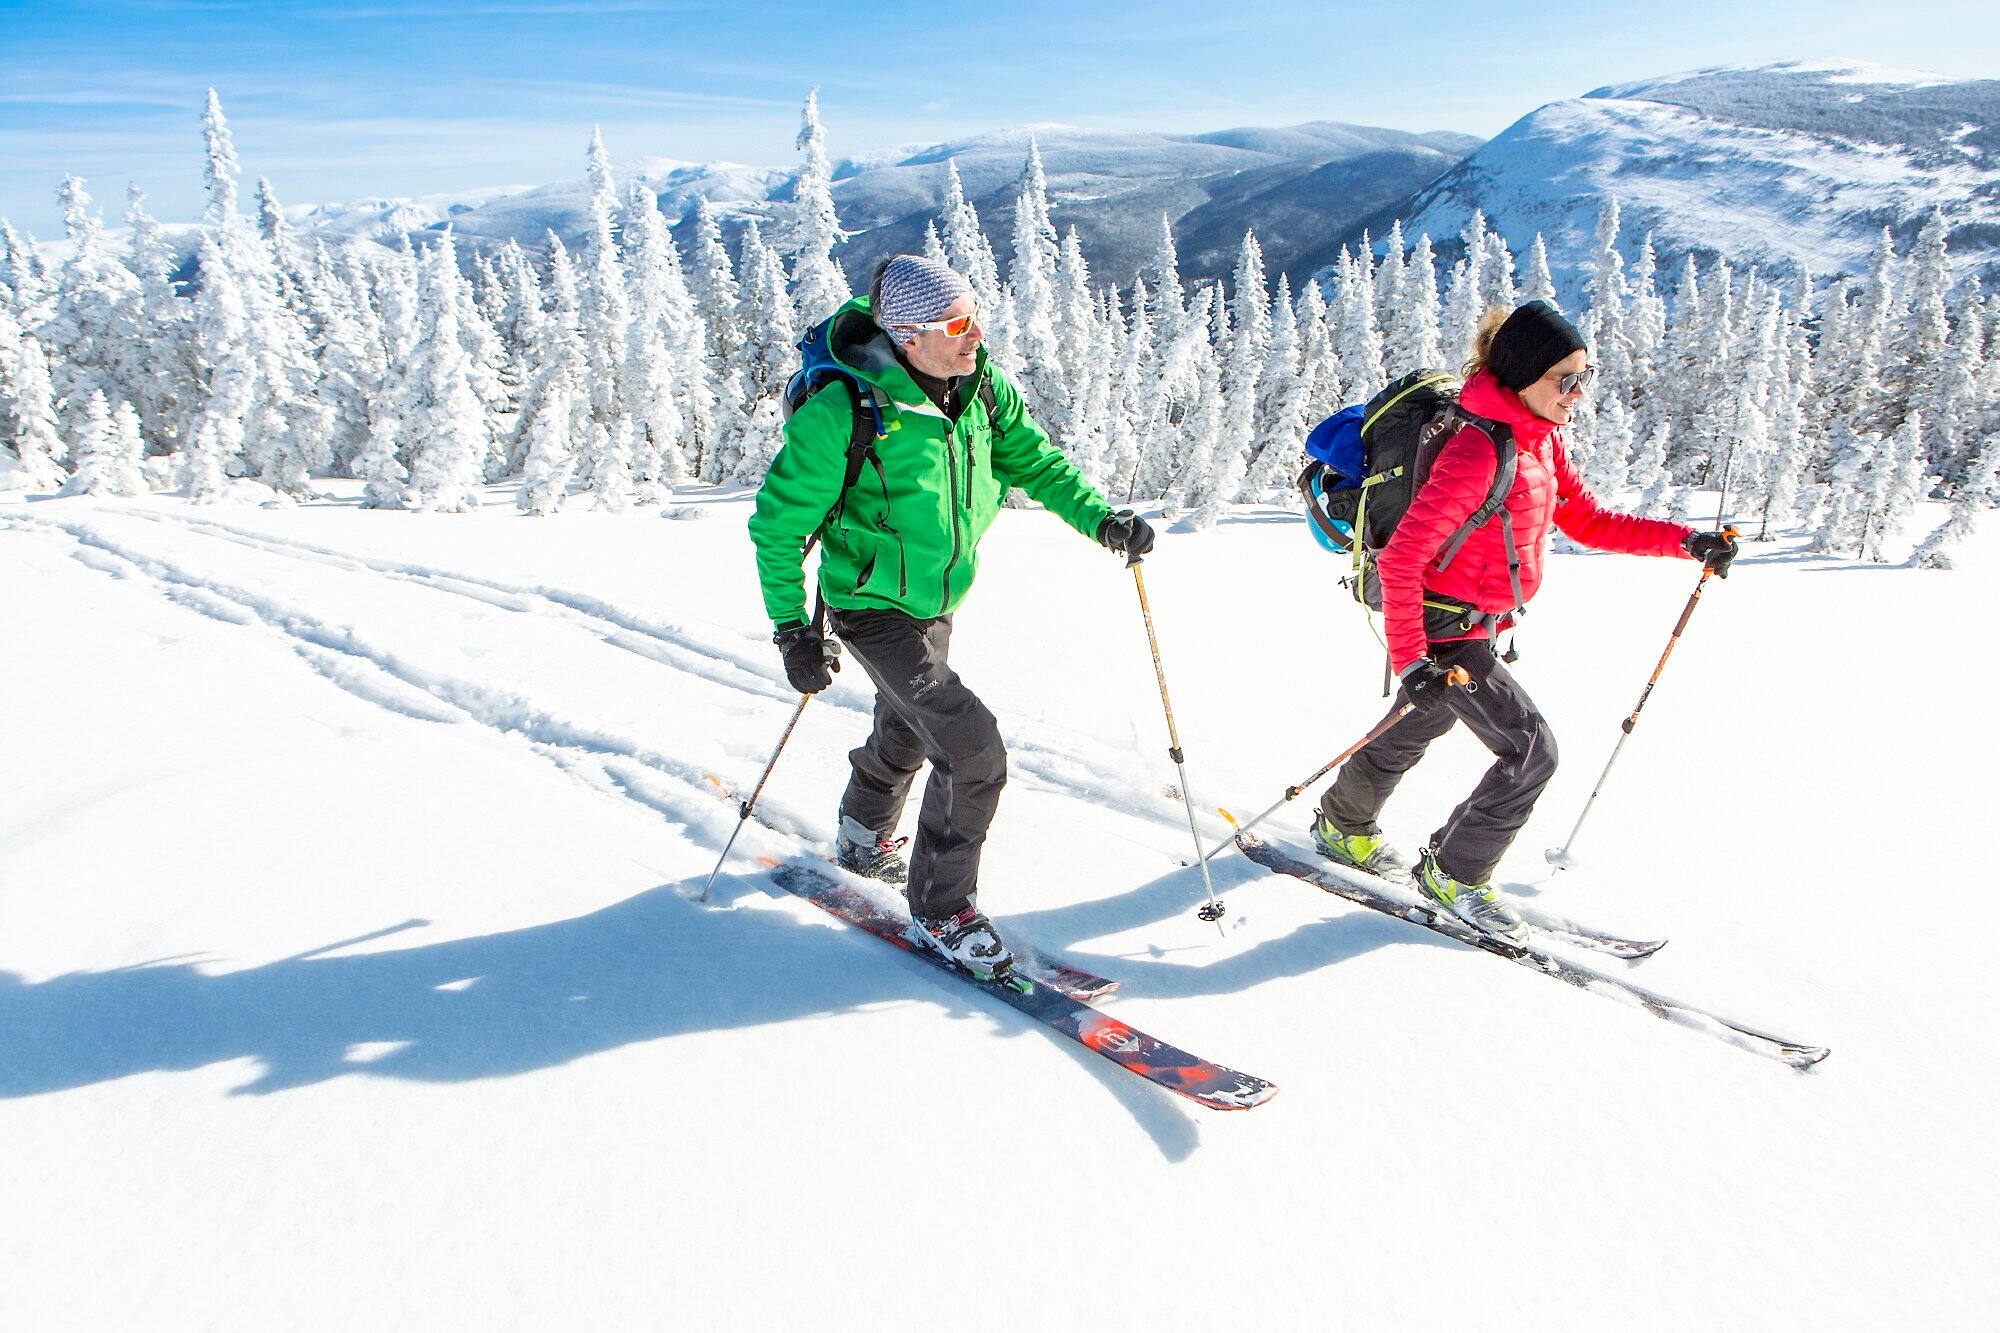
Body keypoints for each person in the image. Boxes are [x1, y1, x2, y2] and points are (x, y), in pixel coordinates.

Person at [748, 254, 1153, 980]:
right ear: (906, 336)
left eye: (976, 318)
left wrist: (1102, 521)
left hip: (935, 598)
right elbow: (777, 528)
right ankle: (941, 907)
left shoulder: (980, 390)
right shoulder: (844, 411)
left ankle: (862, 833)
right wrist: (792, 628)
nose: (974, 337)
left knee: (908, 721)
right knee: (973, 750)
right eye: (957, 325)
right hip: (868, 605)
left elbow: (1036, 462)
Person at [1309, 299, 1737, 944]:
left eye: (1584, 377)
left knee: (1418, 720)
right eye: (1565, 379)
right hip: (1444, 628)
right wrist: (1415, 661)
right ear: (1522, 379)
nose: (1577, 393)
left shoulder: (1538, 441)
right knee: (1531, 751)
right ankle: (1456, 875)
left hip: (1476, 621)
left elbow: (1587, 520)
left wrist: (1685, 542)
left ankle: (1343, 825)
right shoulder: (1477, 452)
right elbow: (1400, 562)